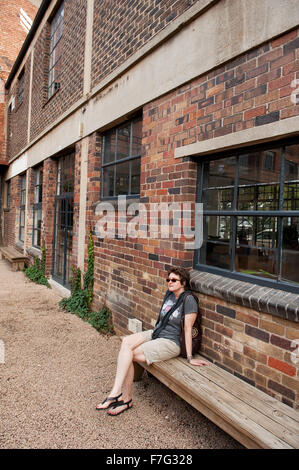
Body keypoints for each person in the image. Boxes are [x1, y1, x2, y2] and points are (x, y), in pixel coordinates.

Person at [96, 267, 209, 416]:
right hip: (158, 333)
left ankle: (123, 397)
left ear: (183, 282)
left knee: (130, 354)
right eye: (168, 279)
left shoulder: (189, 300)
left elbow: (188, 329)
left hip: (171, 341)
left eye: (174, 280)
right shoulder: (170, 295)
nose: (170, 282)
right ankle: (119, 393)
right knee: (125, 343)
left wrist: (189, 358)